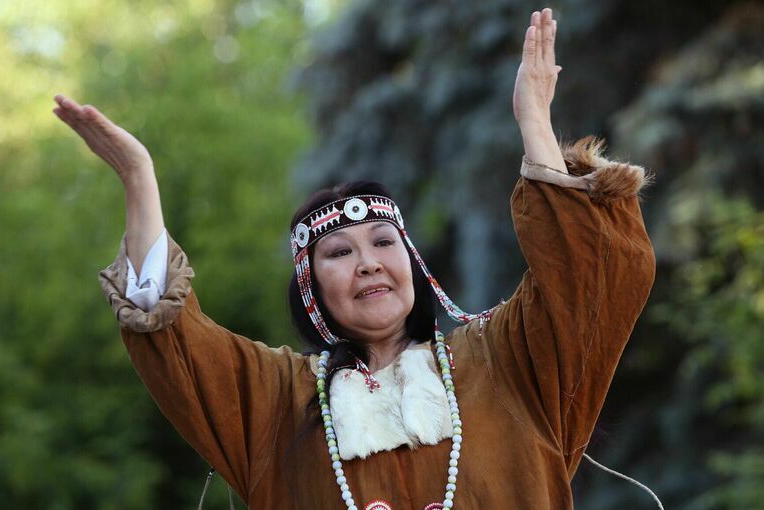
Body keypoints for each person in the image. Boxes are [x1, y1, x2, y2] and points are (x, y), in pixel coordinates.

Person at [54, 8, 663, 510]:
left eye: (383, 242)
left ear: (413, 264)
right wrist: (139, 178)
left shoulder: (504, 362)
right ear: (311, 287)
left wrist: (534, 123)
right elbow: (171, 339)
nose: (367, 262)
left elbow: (588, 282)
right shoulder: (274, 401)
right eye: (339, 252)